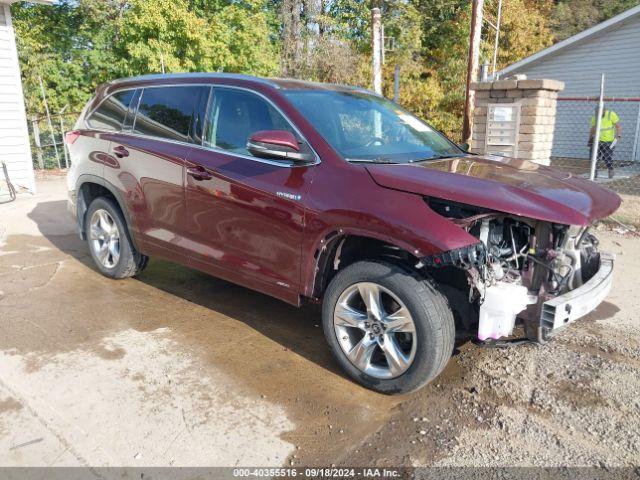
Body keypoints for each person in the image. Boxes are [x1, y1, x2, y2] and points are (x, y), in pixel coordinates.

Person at [589, 108, 622, 179]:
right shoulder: (594, 117)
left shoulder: (611, 114)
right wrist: (590, 139)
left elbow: (618, 126)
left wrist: (618, 136)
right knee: (594, 157)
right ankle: (594, 173)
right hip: (597, 141)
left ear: (604, 110)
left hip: (609, 141)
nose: (599, 115)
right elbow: (592, 129)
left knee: (607, 158)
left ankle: (610, 170)